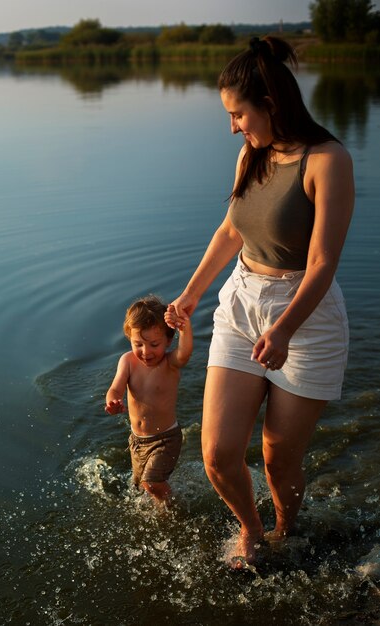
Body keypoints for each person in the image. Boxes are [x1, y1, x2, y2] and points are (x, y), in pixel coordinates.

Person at [168, 36, 354, 568]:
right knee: (219, 454)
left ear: (270, 104)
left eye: (238, 114)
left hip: (307, 316)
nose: (234, 127)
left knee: (277, 456)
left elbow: (321, 263)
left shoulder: (327, 160)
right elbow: (232, 229)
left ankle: (284, 530)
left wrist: (286, 329)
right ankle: (251, 530)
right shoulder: (251, 151)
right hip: (242, 301)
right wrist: (191, 293)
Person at [105, 295, 193, 505]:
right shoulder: (127, 361)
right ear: (129, 338)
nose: (146, 352)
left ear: (168, 340)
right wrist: (113, 401)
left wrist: (184, 327)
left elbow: (185, 351)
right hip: (137, 442)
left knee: (152, 482)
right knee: (140, 487)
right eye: (139, 344)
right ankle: (162, 506)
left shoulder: (170, 363)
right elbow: (114, 388)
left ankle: (173, 511)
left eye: (154, 344)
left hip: (166, 439)